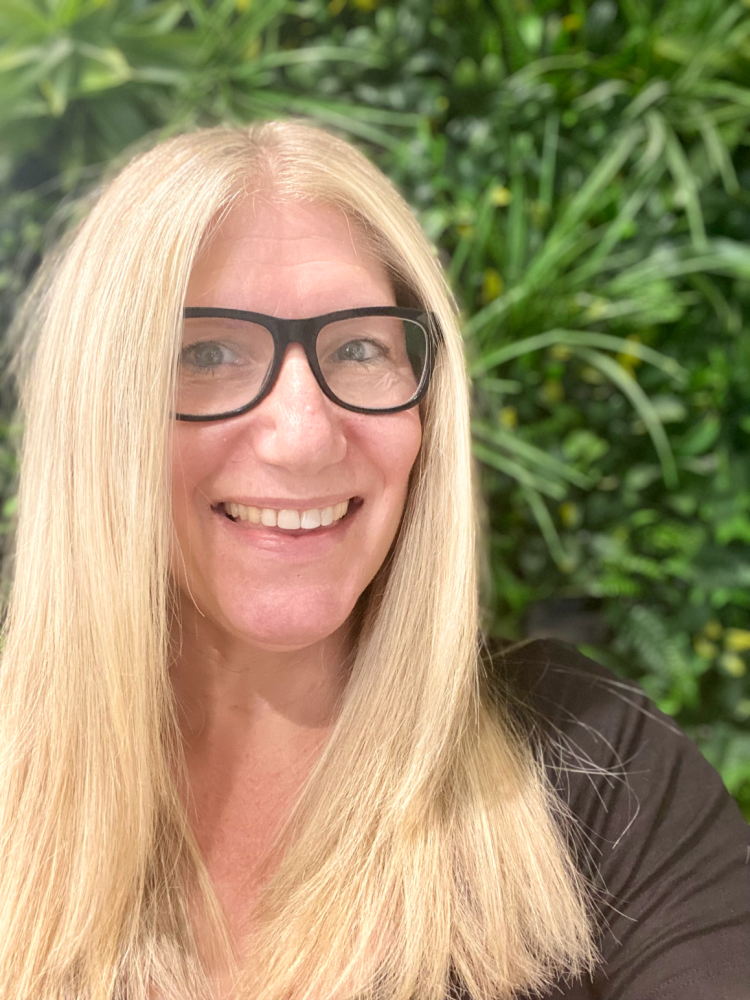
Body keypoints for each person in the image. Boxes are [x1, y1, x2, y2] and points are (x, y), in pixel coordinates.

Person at [0, 121, 746, 1000]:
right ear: (100, 407)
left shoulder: (599, 766)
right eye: (207, 352)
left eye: (359, 348)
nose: (305, 435)